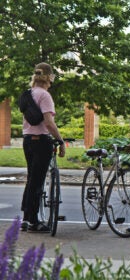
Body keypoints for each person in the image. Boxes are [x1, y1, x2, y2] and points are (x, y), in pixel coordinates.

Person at [21, 62, 66, 233]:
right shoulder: (45, 95)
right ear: (49, 77)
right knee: (38, 181)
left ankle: (26, 218)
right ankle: (34, 221)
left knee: (31, 178)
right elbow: (49, 123)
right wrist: (60, 141)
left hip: (27, 141)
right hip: (41, 142)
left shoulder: (28, 94)